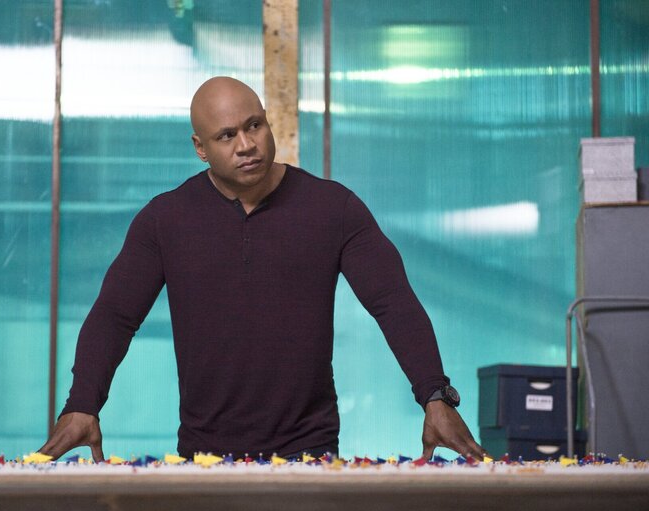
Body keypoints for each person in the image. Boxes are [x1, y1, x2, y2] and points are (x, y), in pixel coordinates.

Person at [39, 76, 486, 462]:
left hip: (309, 454)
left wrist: (434, 395)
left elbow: (392, 302)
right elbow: (115, 315)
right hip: (203, 458)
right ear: (200, 148)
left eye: (254, 125)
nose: (246, 145)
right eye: (226, 136)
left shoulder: (333, 209)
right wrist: (83, 404)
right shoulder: (165, 219)